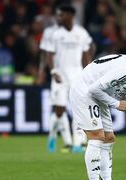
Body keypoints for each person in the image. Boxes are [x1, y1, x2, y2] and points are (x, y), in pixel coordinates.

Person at [45, 4, 92, 153]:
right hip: (59, 76)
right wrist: (53, 71)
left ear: (70, 16)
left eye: (62, 15)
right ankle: (53, 136)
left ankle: (77, 143)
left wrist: (89, 72)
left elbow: (86, 54)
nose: (60, 18)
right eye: (59, 15)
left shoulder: (81, 33)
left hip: (77, 76)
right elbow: (49, 55)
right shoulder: (56, 34)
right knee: (59, 110)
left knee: (78, 110)